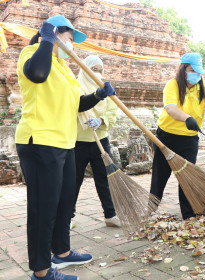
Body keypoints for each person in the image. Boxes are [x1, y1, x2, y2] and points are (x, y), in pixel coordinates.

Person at [16, 15, 116, 280]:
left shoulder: (64, 68)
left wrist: (98, 95)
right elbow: (36, 74)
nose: (73, 46)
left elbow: (77, 105)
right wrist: (46, 39)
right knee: (43, 207)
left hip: (65, 143)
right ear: (54, 34)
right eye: (70, 39)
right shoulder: (32, 53)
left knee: (63, 201)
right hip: (39, 142)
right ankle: (41, 270)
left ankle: (61, 252)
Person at [150, 53, 205, 220]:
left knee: (187, 180)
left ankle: (188, 217)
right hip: (166, 138)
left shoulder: (204, 89)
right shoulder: (172, 85)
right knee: (160, 178)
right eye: (192, 70)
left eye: (198, 71)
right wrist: (186, 118)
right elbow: (171, 108)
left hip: (189, 140)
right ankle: (149, 212)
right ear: (183, 69)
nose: (196, 74)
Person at [72, 55, 120, 228]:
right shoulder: (75, 86)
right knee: (74, 180)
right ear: (85, 69)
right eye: (94, 70)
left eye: (100, 70)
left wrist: (100, 121)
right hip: (78, 142)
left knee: (104, 179)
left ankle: (110, 215)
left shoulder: (106, 90)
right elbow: (73, 107)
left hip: (100, 141)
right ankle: (68, 216)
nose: (98, 74)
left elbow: (112, 112)